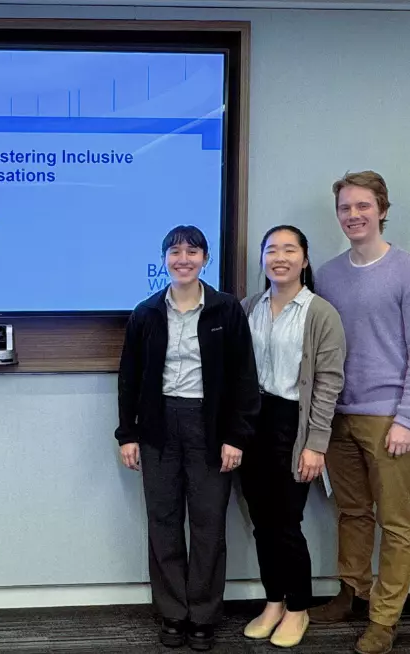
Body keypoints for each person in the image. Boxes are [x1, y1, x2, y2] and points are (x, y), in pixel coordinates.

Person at [115, 225, 260, 652]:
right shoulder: (146, 313)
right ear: (164, 259)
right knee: (162, 520)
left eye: (192, 252)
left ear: (205, 259)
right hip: (158, 424)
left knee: (208, 522)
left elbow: (244, 377)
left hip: (209, 426)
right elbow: (129, 379)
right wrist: (127, 434)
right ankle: (172, 613)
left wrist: (236, 436)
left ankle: (203, 615)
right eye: (175, 252)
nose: (183, 259)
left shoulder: (225, 310)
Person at [310, 171, 410, 654]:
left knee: (396, 523)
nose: (353, 215)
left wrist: (405, 418)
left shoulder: (405, 269)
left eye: (363, 206)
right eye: (345, 208)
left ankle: (385, 619)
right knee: (351, 512)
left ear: (382, 210)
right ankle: (353, 592)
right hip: (337, 415)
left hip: (387, 418)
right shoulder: (327, 275)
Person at [238, 225, 346, 648]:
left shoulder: (320, 313)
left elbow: (329, 383)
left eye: (289, 250)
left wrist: (316, 444)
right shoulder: (250, 306)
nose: (279, 258)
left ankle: (298, 607)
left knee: (285, 522)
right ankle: (273, 601)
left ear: (304, 259)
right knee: (261, 522)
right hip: (253, 423)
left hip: (293, 424)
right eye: (271, 250)